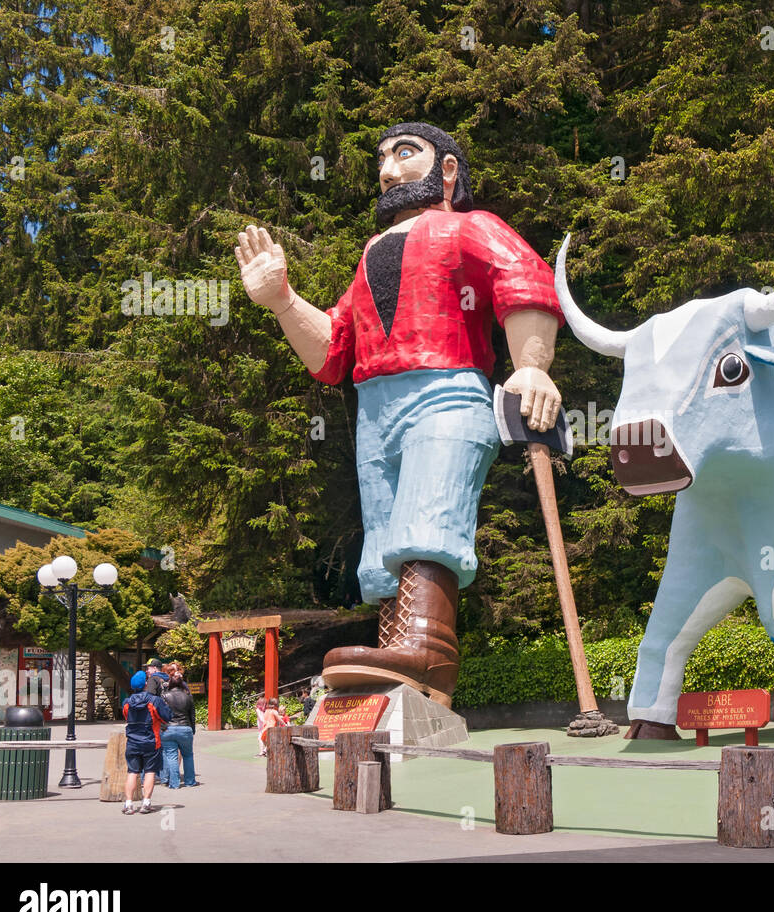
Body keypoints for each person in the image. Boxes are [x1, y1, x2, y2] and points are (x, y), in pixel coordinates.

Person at [236, 122, 565, 709]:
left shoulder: (471, 227)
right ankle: (395, 659)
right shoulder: (369, 258)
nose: (387, 170)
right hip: (375, 410)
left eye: (404, 154)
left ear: (447, 171)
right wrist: (282, 301)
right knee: (384, 538)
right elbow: (334, 351)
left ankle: (429, 650)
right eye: (382, 159)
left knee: (428, 514)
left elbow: (522, 279)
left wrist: (531, 366)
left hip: (447, 389)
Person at [122, 670, 172, 815]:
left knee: (132, 772)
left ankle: (129, 803)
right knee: (150, 772)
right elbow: (166, 717)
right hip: (151, 741)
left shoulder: (127, 703)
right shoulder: (154, 701)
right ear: (145, 684)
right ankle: (146, 802)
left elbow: (127, 718)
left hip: (132, 742)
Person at [160, 674, 198, 788]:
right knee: (188, 755)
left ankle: (174, 783)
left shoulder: (165, 696)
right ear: (182, 684)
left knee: (171, 756)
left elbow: (161, 714)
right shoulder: (188, 696)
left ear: (170, 683)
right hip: (185, 728)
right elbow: (192, 715)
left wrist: (162, 727)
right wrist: (192, 729)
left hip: (168, 728)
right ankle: (190, 781)